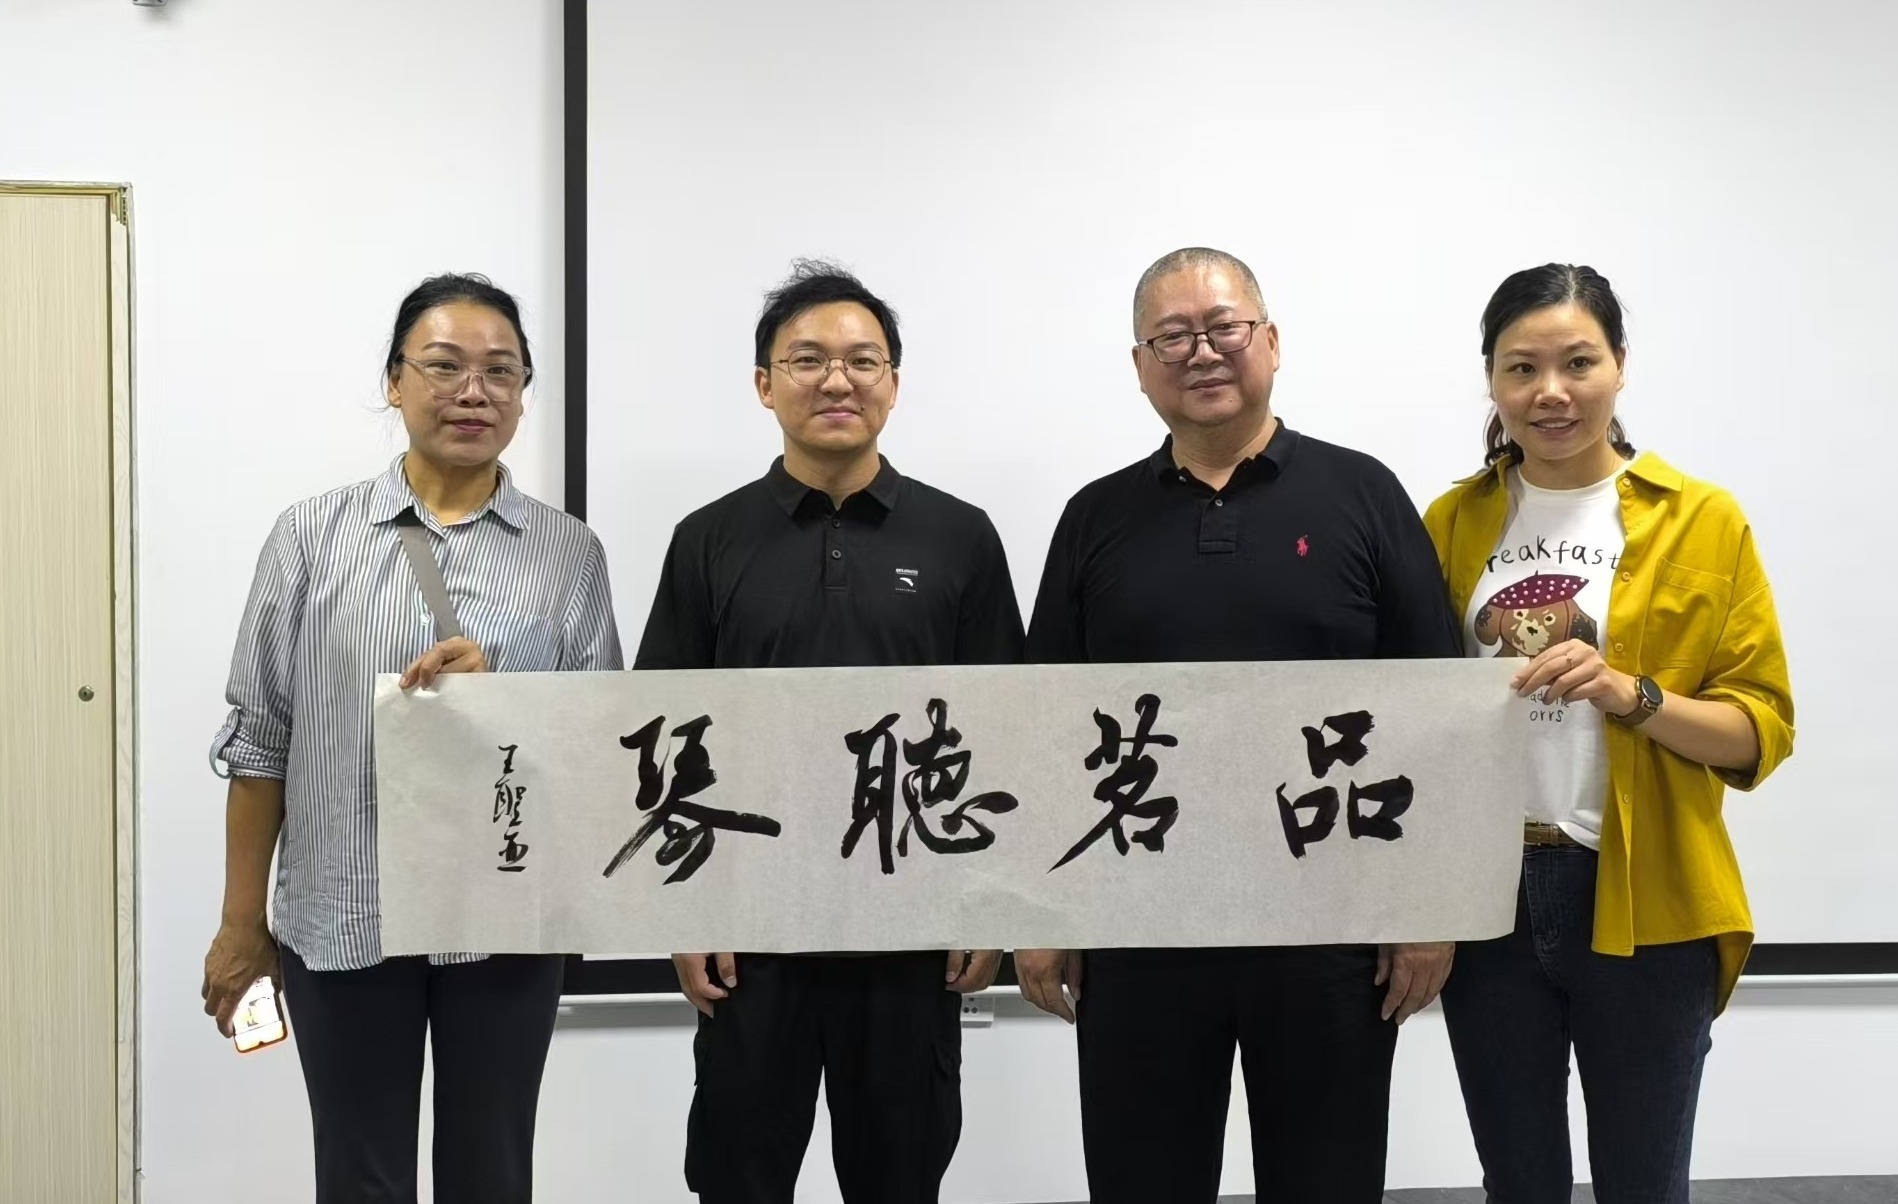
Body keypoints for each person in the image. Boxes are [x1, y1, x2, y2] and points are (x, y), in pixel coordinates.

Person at [1014, 246, 1461, 1203]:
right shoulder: (1095, 517)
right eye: (1172, 336)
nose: (1202, 352)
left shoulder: (1363, 494)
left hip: (1329, 926)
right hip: (1139, 927)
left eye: (1224, 327)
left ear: (1272, 341)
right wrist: (1040, 917)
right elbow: (1044, 724)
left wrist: (1428, 910)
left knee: (1327, 1182)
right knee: (1142, 1182)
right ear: (1140, 366)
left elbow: (1436, 709)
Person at [199, 273, 623, 1204]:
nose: (474, 392)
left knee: (491, 1176)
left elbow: (598, 751)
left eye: (500, 371)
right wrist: (240, 924)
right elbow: (262, 741)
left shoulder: (569, 554)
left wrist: (501, 701)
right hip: (345, 911)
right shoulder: (310, 537)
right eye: (443, 366)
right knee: (361, 1180)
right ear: (394, 381)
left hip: (507, 923)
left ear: (523, 392)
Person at [634, 260, 1024, 1204]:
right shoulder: (708, 538)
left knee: (901, 1176)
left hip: (911, 932)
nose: (836, 380)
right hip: (753, 936)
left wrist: (993, 909)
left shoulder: (961, 537)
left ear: (894, 381)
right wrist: (684, 912)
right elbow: (662, 739)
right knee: (738, 1175)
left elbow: (1008, 731)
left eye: (861, 360)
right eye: (807, 360)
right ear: (764, 384)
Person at [1423, 263, 1794, 1203]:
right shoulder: (1450, 521)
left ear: (1620, 365)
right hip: (1489, 897)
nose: (1550, 391)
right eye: (1521, 368)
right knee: (1518, 1181)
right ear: (1492, 380)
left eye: (1578, 362)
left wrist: (1634, 695)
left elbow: (1758, 730)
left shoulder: (1702, 519)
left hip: (1644, 894)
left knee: (1643, 1183)